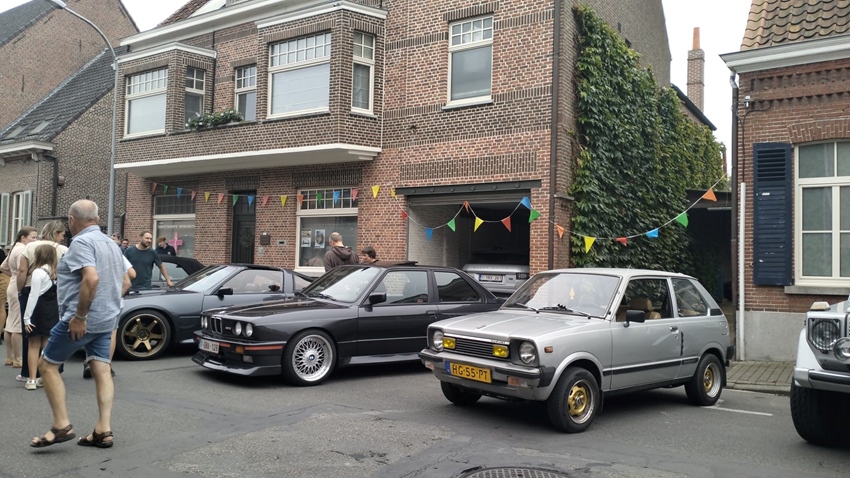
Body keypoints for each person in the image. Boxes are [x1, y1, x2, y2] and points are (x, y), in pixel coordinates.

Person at [31, 200, 126, 449]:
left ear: (72, 220)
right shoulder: (112, 244)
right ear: (97, 218)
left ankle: (61, 425)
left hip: (82, 320)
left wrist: (81, 317)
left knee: (46, 365)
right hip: (107, 318)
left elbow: (91, 279)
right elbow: (127, 279)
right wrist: (108, 305)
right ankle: (103, 431)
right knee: (101, 369)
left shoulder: (82, 242)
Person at [17, 221, 69, 383]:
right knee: (51, 335)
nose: (63, 238)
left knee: (31, 335)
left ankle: (29, 373)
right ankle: (51, 371)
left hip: (30, 288)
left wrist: (20, 289)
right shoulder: (64, 250)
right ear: (56, 233)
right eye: (62, 234)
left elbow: (22, 270)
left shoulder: (29, 247)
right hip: (54, 292)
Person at [83, 256, 134, 379]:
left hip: (93, 300)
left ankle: (90, 362)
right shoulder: (116, 254)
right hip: (113, 302)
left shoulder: (88, 254)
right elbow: (132, 275)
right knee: (111, 333)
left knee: (89, 331)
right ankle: (106, 365)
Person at [22, 244, 60, 390]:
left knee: (33, 345)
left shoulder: (38, 272)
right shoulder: (55, 272)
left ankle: (32, 379)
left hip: (38, 309)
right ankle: (44, 376)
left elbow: (33, 295)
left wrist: (27, 317)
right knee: (47, 344)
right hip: (52, 309)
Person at [1, 226, 37, 369]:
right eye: (33, 237)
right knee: (17, 326)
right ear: (23, 237)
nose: (35, 240)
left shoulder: (13, 248)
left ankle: (9, 357)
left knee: (10, 323)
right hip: (18, 287)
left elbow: (3, 267)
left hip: (11, 285)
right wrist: (20, 280)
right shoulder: (23, 250)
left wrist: (13, 276)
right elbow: (23, 270)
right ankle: (18, 358)